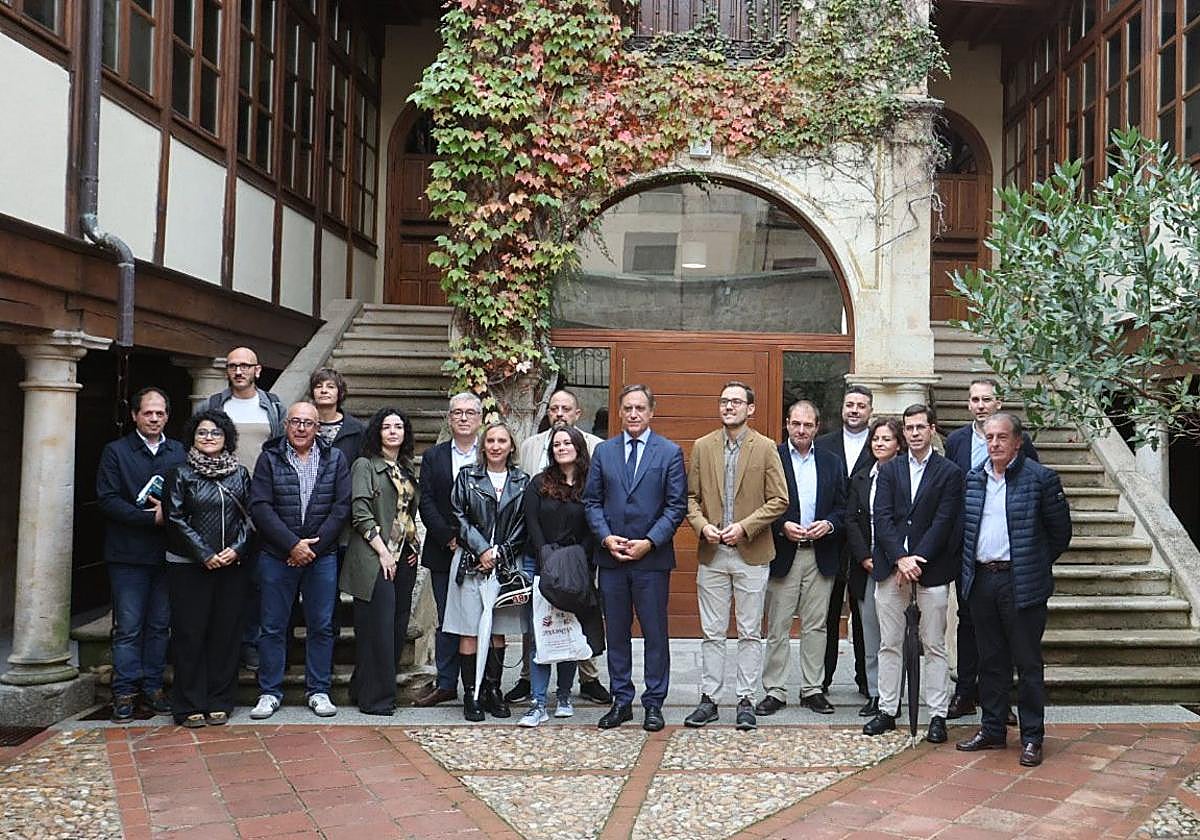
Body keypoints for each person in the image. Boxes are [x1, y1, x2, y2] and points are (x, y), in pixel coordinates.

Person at [956, 413, 1071, 767]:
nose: (994, 444)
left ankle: (1032, 736)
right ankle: (992, 729)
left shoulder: (1041, 479)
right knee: (990, 662)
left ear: (1017, 441)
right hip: (981, 581)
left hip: (1021, 582)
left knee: (1028, 663)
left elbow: (1059, 534)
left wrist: (1030, 563)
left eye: (1002, 437)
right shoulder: (974, 479)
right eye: (989, 437)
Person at [684, 382, 788, 731]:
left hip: (751, 552)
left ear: (750, 409)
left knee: (748, 631)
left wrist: (745, 527)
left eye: (736, 402)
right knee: (712, 632)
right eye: (724, 401)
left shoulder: (767, 448)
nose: (729, 407)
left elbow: (779, 500)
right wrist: (702, 526)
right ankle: (709, 698)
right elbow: (691, 498)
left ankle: (745, 698)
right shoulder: (702, 446)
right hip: (712, 552)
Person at [583, 384, 687, 732]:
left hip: (651, 561)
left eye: (640, 408)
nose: (633, 414)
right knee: (617, 633)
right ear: (620, 412)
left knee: (655, 633)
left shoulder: (669, 452)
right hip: (611, 559)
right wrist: (605, 537)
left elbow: (676, 507)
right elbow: (592, 501)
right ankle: (621, 700)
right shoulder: (604, 452)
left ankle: (654, 702)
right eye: (627, 408)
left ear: (651, 412)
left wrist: (649, 542)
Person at [864, 404, 963, 744]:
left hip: (932, 570)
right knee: (889, 643)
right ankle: (888, 710)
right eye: (909, 428)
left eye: (921, 426)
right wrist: (900, 558)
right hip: (892, 569)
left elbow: (945, 521)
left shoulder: (949, 472)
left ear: (932, 429)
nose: (915, 433)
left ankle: (936, 714)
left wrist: (918, 558)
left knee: (934, 644)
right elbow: (883, 517)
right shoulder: (889, 471)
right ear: (904, 433)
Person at [247, 401, 351, 720]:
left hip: (322, 557)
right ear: (286, 426)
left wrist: (311, 549)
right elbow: (261, 507)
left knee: (321, 625)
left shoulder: (335, 458)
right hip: (278, 555)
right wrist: (292, 545)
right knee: (273, 626)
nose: (302, 428)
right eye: (295, 422)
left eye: (308, 423)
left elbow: (341, 506)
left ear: (318, 427)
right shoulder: (269, 459)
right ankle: (269, 692)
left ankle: (318, 690)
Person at [943, 377, 1038, 720]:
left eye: (986, 399)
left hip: (1007, 557)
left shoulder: (1018, 443)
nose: (980, 405)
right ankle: (965, 691)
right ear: (968, 404)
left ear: (998, 403)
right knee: (967, 623)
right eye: (974, 399)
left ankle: (999, 700)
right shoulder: (954, 441)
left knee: (1006, 633)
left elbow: (1039, 502)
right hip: (967, 550)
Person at [508, 388, 609, 707]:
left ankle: (584, 681)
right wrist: (543, 553)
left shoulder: (596, 455)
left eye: (566, 408)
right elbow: (530, 513)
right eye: (554, 408)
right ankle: (531, 683)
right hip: (539, 556)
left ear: (577, 415)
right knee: (538, 624)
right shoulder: (530, 450)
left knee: (573, 622)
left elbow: (594, 514)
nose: (559, 413)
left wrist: (579, 555)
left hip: (578, 560)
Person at [97, 387, 186, 723]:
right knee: (129, 627)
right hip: (128, 555)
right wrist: (152, 517)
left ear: (168, 416)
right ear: (135, 415)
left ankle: (153, 686)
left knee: (160, 625)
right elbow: (107, 500)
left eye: (160, 413)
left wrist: (170, 512)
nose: (154, 418)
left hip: (168, 554)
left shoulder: (178, 451)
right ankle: (125, 691)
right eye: (148, 413)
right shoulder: (116, 452)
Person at [161, 409, 252, 727]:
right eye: (202, 432)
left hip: (231, 566)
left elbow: (250, 518)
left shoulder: (240, 474)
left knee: (225, 634)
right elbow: (175, 518)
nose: (209, 438)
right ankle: (188, 703)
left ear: (227, 437)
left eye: (215, 432)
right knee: (190, 634)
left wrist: (236, 550)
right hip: (189, 567)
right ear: (192, 437)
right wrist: (204, 553)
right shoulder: (179, 473)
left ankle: (220, 699)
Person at [757, 400, 846, 717]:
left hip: (820, 554)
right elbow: (762, 503)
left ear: (817, 427)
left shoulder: (832, 462)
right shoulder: (773, 458)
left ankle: (812, 689)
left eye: (808, 425)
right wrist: (782, 527)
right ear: (787, 424)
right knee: (778, 626)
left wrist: (830, 524)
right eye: (796, 424)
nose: (801, 430)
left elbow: (842, 506)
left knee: (816, 626)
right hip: (784, 553)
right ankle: (775, 690)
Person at [203, 346, 285, 672]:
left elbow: (280, 450)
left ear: (258, 370)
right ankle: (225, 644)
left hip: (263, 501)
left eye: (245, 366)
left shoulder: (273, 407)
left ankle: (252, 643)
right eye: (233, 366)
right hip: (220, 501)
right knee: (224, 577)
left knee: (258, 578)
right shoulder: (214, 406)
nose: (239, 371)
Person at [445, 421, 530, 722]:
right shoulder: (467, 477)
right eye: (490, 440)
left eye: (502, 441)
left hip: (506, 566)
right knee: (469, 630)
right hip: (471, 562)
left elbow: (524, 524)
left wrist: (500, 552)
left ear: (511, 446)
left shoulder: (523, 481)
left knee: (497, 632)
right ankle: (471, 693)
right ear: (483, 446)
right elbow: (458, 515)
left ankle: (493, 690)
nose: (495, 446)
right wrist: (482, 549)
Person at [340, 408, 419, 716]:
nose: (393, 431)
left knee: (397, 628)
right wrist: (384, 552)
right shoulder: (364, 466)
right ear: (377, 432)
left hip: (404, 558)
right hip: (376, 558)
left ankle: (362, 688)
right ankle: (377, 700)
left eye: (399, 426)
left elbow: (407, 514)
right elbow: (360, 512)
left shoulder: (406, 467)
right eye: (386, 426)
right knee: (378, 630)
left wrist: (411, 545)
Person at [413, 392, 482, 708]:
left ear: (480, 419)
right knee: (447, 618)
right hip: (445, 551)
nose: (464, 418)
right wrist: (449, 538)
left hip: (484, 555)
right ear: (450, 418)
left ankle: (481, 685)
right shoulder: (434, 456)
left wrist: (478, 544)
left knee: (481, 620)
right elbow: (425, 500)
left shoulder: (491, 452)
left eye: (470, 412)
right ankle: (446, 683)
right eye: (458, 413)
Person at [814, 385, 875, 697]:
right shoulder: (823, 444)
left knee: (864, 614)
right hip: (830, 540)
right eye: (850, 404)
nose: (854, 410)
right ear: (842, 409)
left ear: (869, 411)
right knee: (826, 612)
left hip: (865, 543)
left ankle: (866, 680)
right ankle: (820, 680)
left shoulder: (879, 445)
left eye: (861, 406)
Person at [844, 417, 905, 719]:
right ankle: (875, 693)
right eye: (876, 439)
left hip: (896, 564)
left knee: (892, 634)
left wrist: (892, 556)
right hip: (866, 565)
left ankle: (894, 691)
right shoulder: (861, 478)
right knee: (869, 631)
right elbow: (851, 521)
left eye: (886, 439)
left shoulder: (907, 475)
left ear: (898, 444)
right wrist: (863, 556)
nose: (880, 444)